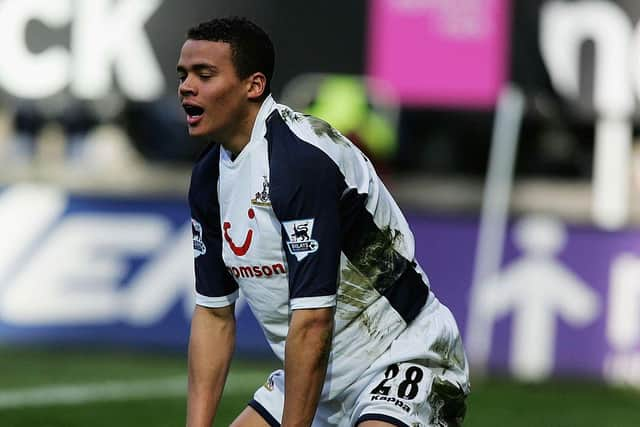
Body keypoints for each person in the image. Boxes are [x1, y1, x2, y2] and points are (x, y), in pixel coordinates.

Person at [179, 17, 470, 427]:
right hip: (312, 375)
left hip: (401, 356)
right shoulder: (208, 177)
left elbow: (314, 319)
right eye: (184, 74)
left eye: (204, 74)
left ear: (254, 86)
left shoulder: (299, 161)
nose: (186, 86)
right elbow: (213, 314)